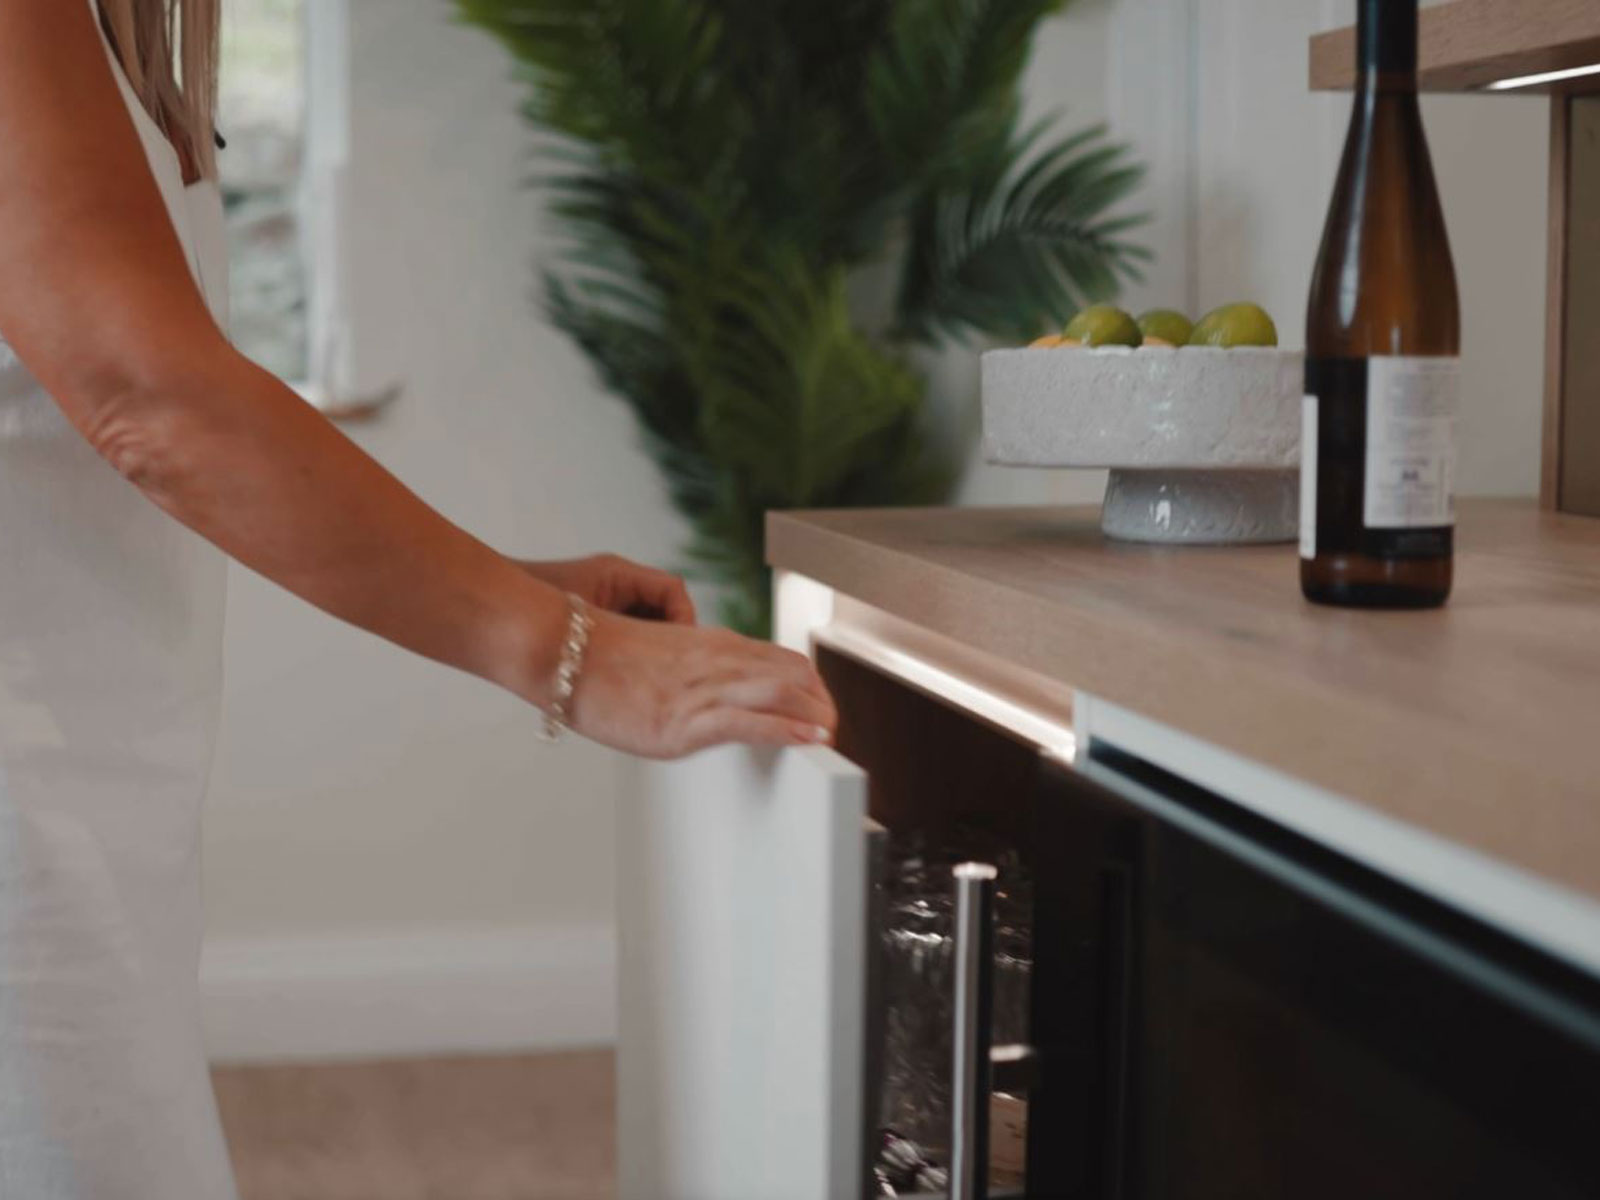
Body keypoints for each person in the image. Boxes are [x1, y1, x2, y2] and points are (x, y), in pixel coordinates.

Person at [0, 0, 836, 1193]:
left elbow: (79, 468)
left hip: (80, 820)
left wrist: (505, 587)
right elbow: (154, 405)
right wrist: (565, 655)